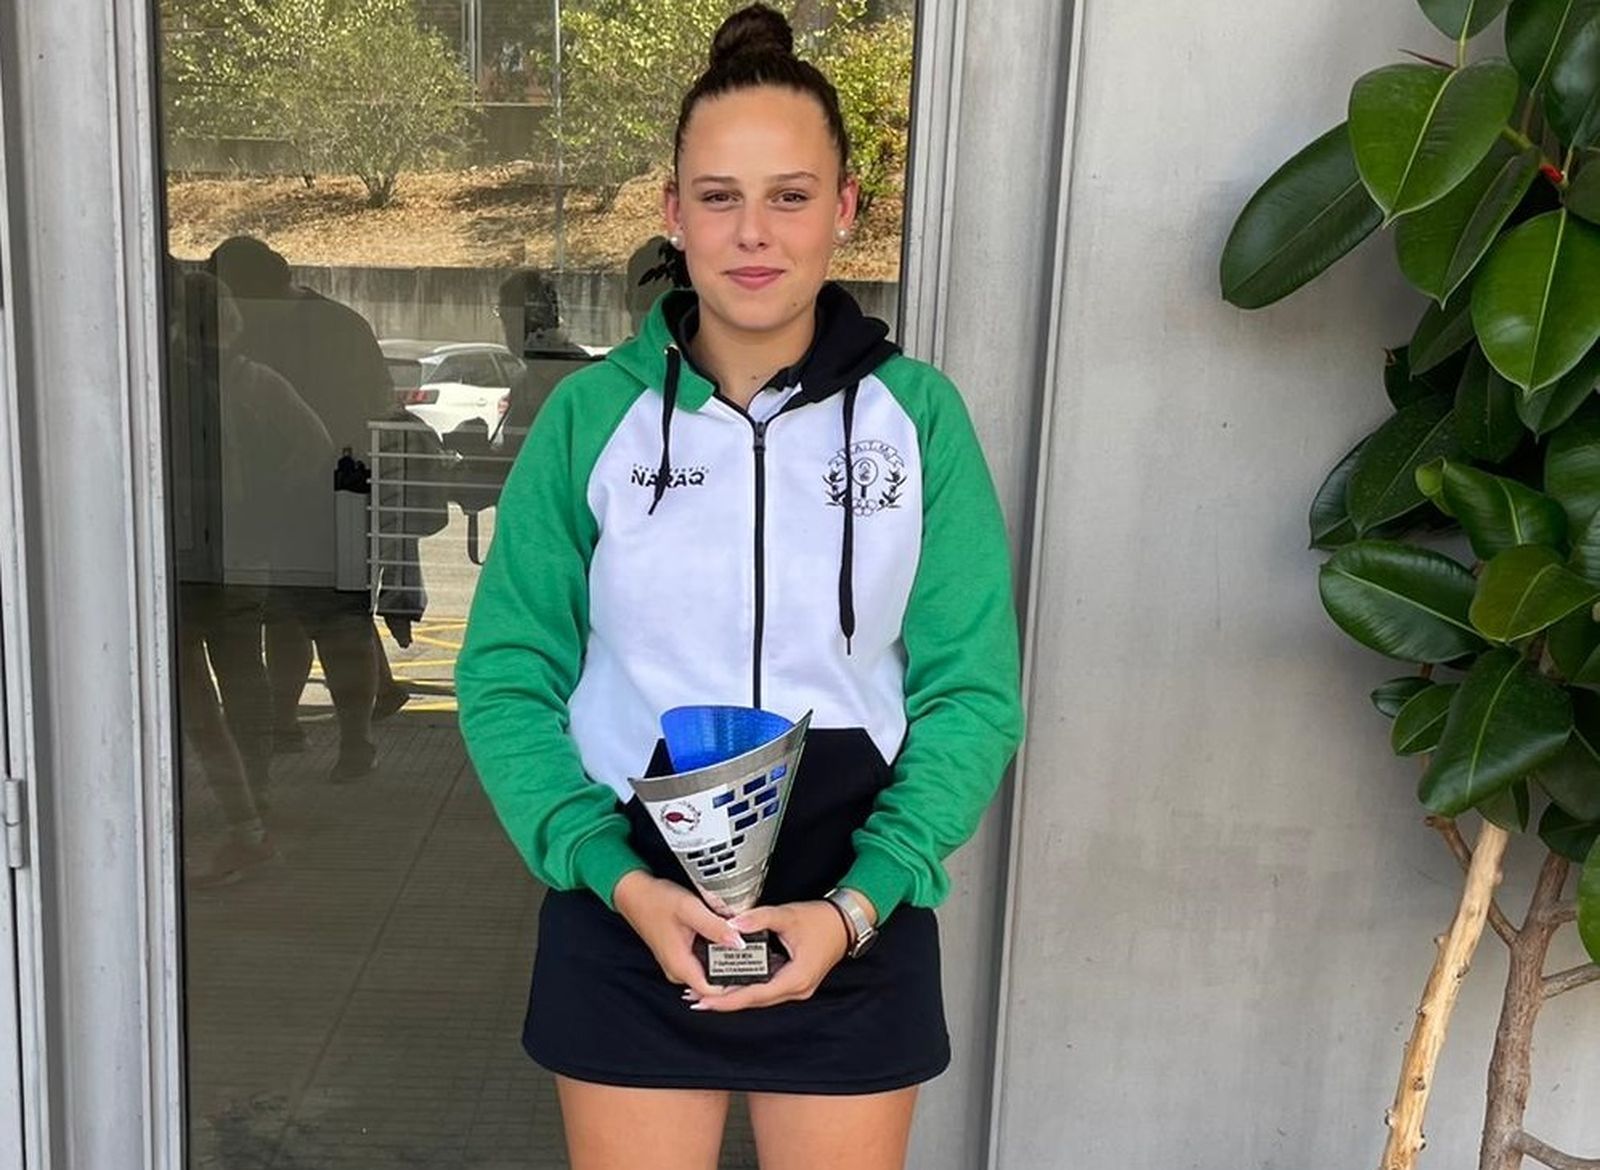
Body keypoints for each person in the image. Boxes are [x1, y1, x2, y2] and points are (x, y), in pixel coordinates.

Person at [455, 7, 1024, 1169]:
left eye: (790, 194)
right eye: (717, 196)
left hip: (851, 905)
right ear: (672, 213)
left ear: (846, 208)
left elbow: (973, 693)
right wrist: (610, 876)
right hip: (630, 900)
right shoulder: (589, 419)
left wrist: (861, 901)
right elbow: (507, 676)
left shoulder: (916, 420)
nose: (752, 233)